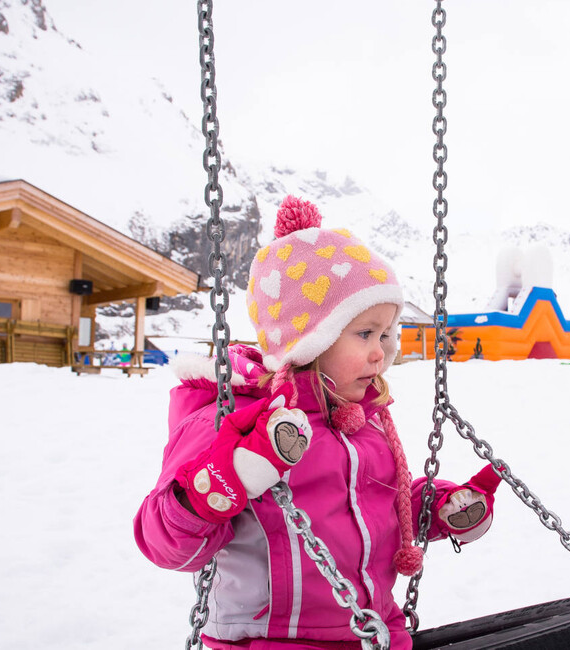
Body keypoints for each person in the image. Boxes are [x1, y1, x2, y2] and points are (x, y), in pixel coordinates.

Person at [135, 196, 500, 650]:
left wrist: (443, 505)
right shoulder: (236, 420)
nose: (381, 352)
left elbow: (385, 502)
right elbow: (162, 541)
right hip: (273, 641)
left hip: (373, 633)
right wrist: (222, 483)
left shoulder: (364, 423)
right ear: (309, 340)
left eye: (386, 334)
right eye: (364, 333)